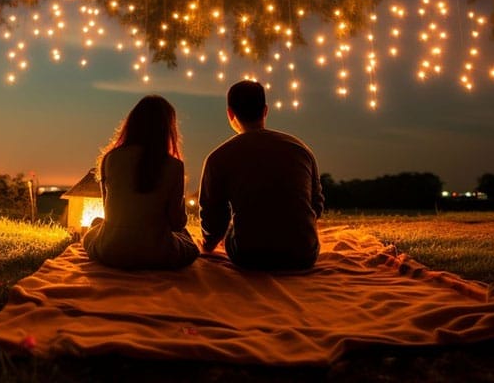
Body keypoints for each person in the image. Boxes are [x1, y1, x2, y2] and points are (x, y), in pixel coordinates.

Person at [198, 80, 324, 270]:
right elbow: (316, 205)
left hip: (249, 255)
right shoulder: (300, 149)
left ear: (230, 114)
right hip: (303, 254)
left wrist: (208, 245)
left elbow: (213, 218)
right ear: (265, 110)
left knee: (235, 227)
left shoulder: (218, 157)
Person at [83, 95, 200, 269]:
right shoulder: (174, 166)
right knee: (188, 242)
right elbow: (177, 222)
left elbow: (109, 212)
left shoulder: (110, 158)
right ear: (168, 129)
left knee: (96, 225)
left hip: (111, 251)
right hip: (157, 254)